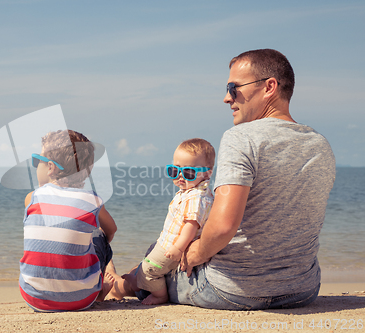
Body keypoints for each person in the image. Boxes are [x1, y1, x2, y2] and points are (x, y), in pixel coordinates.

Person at [109, 49, 335, 310]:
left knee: (157, 254)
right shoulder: (320, 145)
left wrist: (194, 253)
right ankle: (120, 283)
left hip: (231, 289)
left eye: (234, 87)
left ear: (269, 86)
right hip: (302, 290)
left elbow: (222, 227)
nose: (227, 98)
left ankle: (117, 286)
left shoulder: (241, 138)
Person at [19, 129, 118, 312]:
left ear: (50, 167)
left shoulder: (32, 197)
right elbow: (112, 230)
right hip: (81, 299)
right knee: (98, 233)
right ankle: (98, 291)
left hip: (34, 298)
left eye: (36, 161)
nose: (35, 166)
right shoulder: (93, 200)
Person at [124, 138, 215, 305]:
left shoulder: (197, 197)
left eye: (188, 172)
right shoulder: (189, 190)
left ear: (207, 173)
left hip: (175, 246)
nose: (180, 176)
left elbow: (191, 225)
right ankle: (137, 281)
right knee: (147, 262)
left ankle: (160, 295)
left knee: (150, 269)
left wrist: (178, 248)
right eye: (174, 170)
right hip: (168, 241)